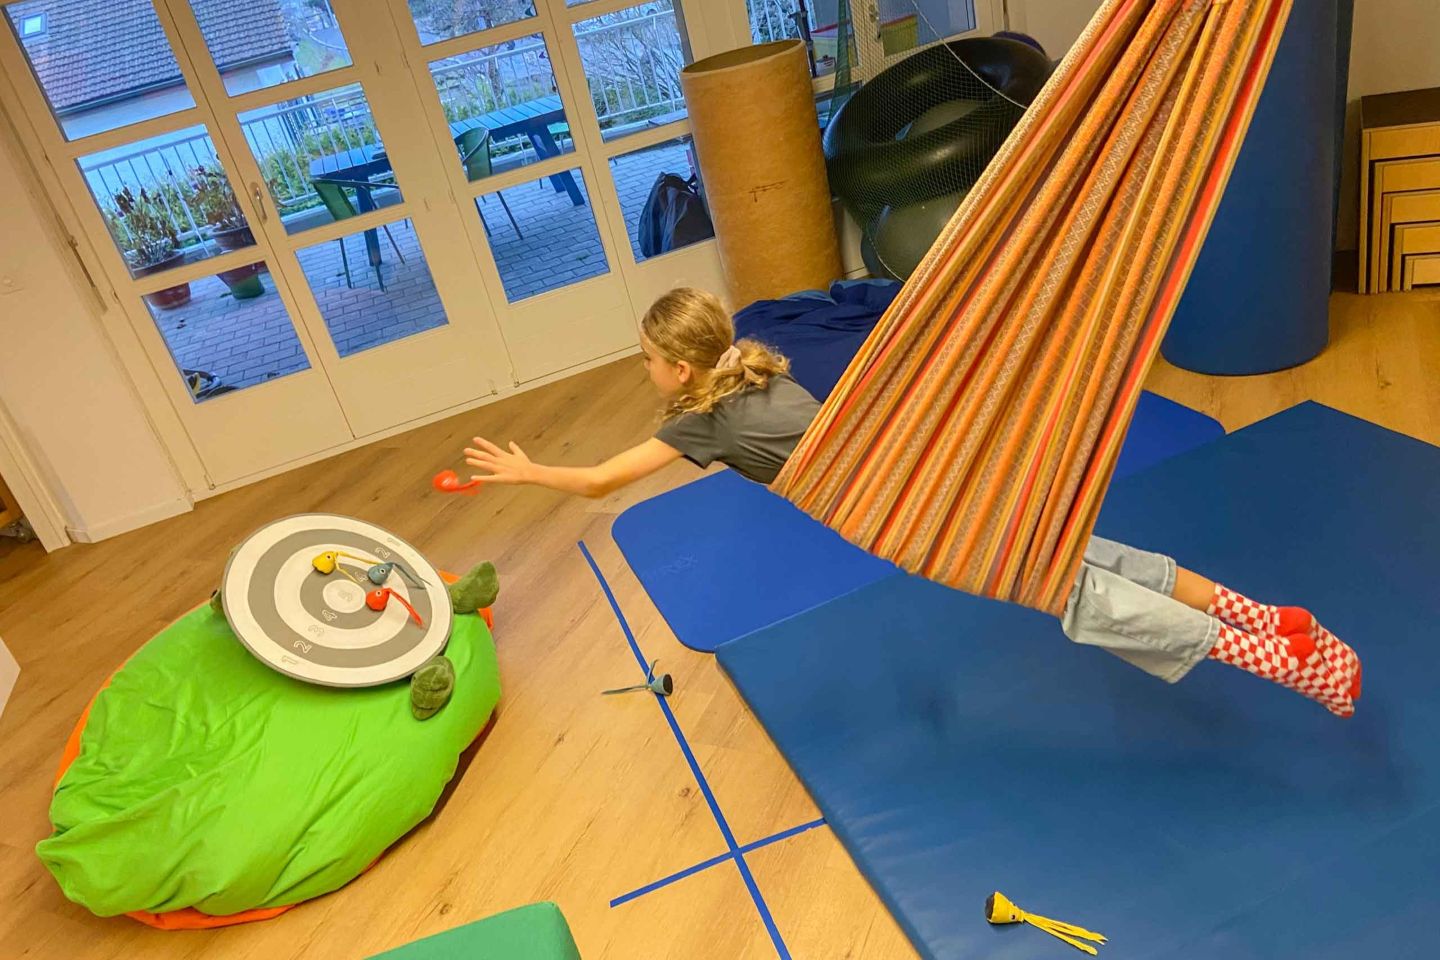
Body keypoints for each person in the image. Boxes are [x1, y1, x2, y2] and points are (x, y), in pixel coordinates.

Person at [464, 288, 1362, 717]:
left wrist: (530, 471)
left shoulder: (707, 422)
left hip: (923, 520)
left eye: (649, 359)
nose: (645, 369)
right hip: (947, 481)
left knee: (1087, 601)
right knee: (1102, 557)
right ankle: (1270, 618)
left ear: (680, 366)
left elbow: (602, 481)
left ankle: (1292, 665)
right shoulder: (763, 360)